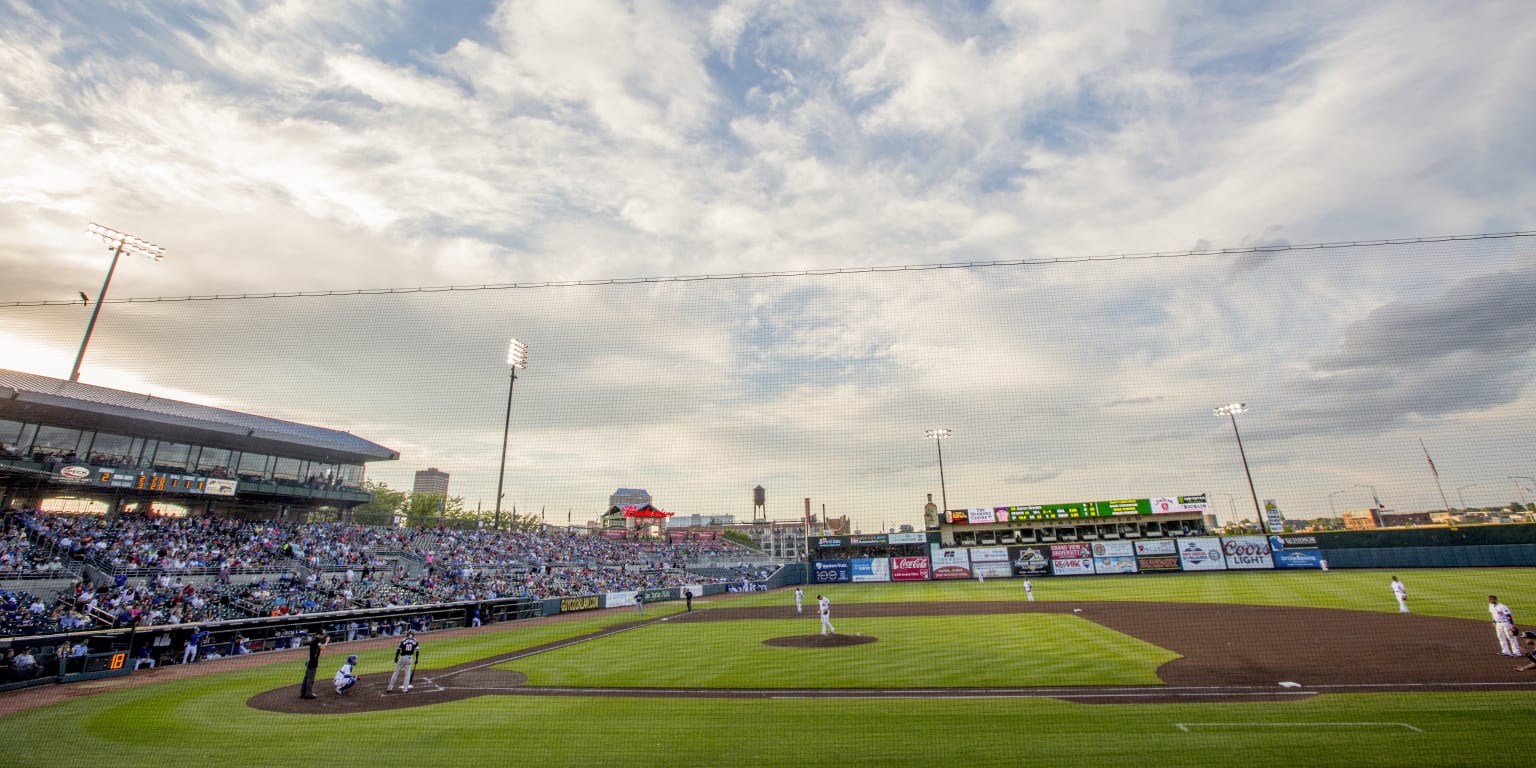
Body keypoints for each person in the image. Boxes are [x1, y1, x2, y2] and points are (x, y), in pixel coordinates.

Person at [299, 632, 329, 699]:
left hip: (310, 661)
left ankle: (303, 693)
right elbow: (322, 648)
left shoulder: (315, 641)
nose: (322, 636)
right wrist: (327, 641)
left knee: (306, 678)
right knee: (310, 679)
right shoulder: (316, 641)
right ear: (318, 635)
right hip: (312, 662)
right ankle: (308, 694)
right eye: (321, 635)